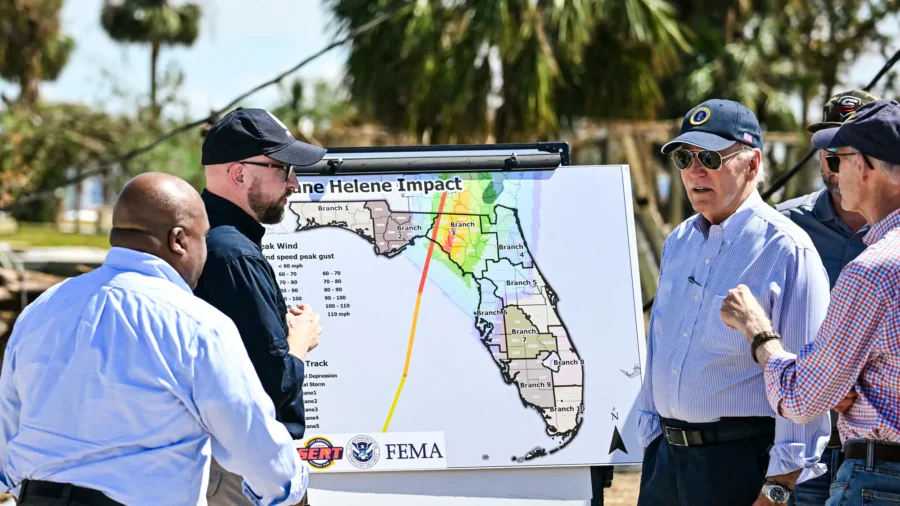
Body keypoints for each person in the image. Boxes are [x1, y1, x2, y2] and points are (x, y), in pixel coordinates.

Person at [0, 173, 309, 506]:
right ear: (178, 240)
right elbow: (251, 440)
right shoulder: (197, 325)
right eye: (203, 237)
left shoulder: (43, 309)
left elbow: (9, 424)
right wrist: (289, 489)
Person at [637, 99, 831, 506]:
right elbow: (659, 350)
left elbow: (808, 390)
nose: (694, 170)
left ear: (753, 165)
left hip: (739, 468)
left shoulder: (788, 249)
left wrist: (775, 492)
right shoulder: (679, 241)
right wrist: (652, 443)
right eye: (684, 157)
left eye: (710, 157)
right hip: (666, 465)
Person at [721, 99, 900, 506]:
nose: (833, 171)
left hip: (881, 478)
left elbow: (802, 398)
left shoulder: (874, 270)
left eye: (841, 158)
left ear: (866, 166)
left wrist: (759, 332)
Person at [194, 108, 325, 505]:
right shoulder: (234, 256)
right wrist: (300, 342)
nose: (295, 184)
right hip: (240, 474)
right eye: (284, 170)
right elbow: (271, 385)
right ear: (239, 174)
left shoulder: (201, 238)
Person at [775, 89, 880, 506]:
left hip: (879, 452)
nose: (835, 163)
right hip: (800, 450)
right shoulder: (784, 227)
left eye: (848, 149)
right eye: (827, 149)